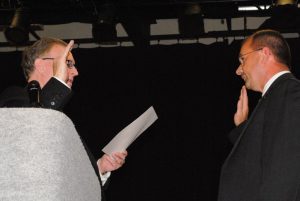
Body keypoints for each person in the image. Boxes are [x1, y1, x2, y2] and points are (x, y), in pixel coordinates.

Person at [0, 37, 127, 200]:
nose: (75, 71)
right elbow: (30, 133)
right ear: (41, 65)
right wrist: (58, 82)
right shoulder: (15, 96)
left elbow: (66, 180)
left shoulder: (62, 122)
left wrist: (100, 168)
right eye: (68, 63)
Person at [218, 29, 300, 201]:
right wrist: (242, 128)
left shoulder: (291, 92)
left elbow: (286, 170)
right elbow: (263, 159)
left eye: (243, 59)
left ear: (264, 53)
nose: (238, 70)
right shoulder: (276, 96)